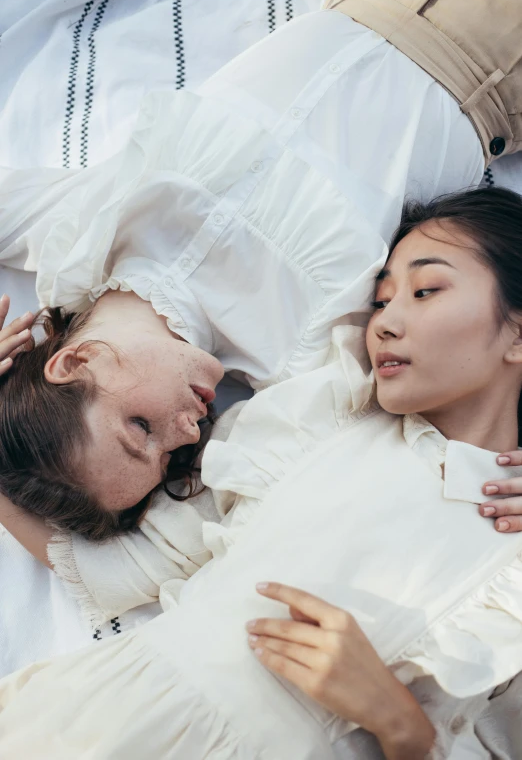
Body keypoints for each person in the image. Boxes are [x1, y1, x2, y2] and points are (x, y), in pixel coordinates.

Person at [2, 187, 522, 759]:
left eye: (426, 291)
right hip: (95, 725)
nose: (386, 323)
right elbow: (128, 567)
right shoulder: (323, 413)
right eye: (380, 301)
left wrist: (399, 724)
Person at [4, 0, 516, 541]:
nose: (184, 433)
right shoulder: (299, 363)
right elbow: (433, 441)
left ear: (71, 364)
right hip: (494, 54)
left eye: (140, 428)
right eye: (166, 458)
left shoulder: (79, 231)